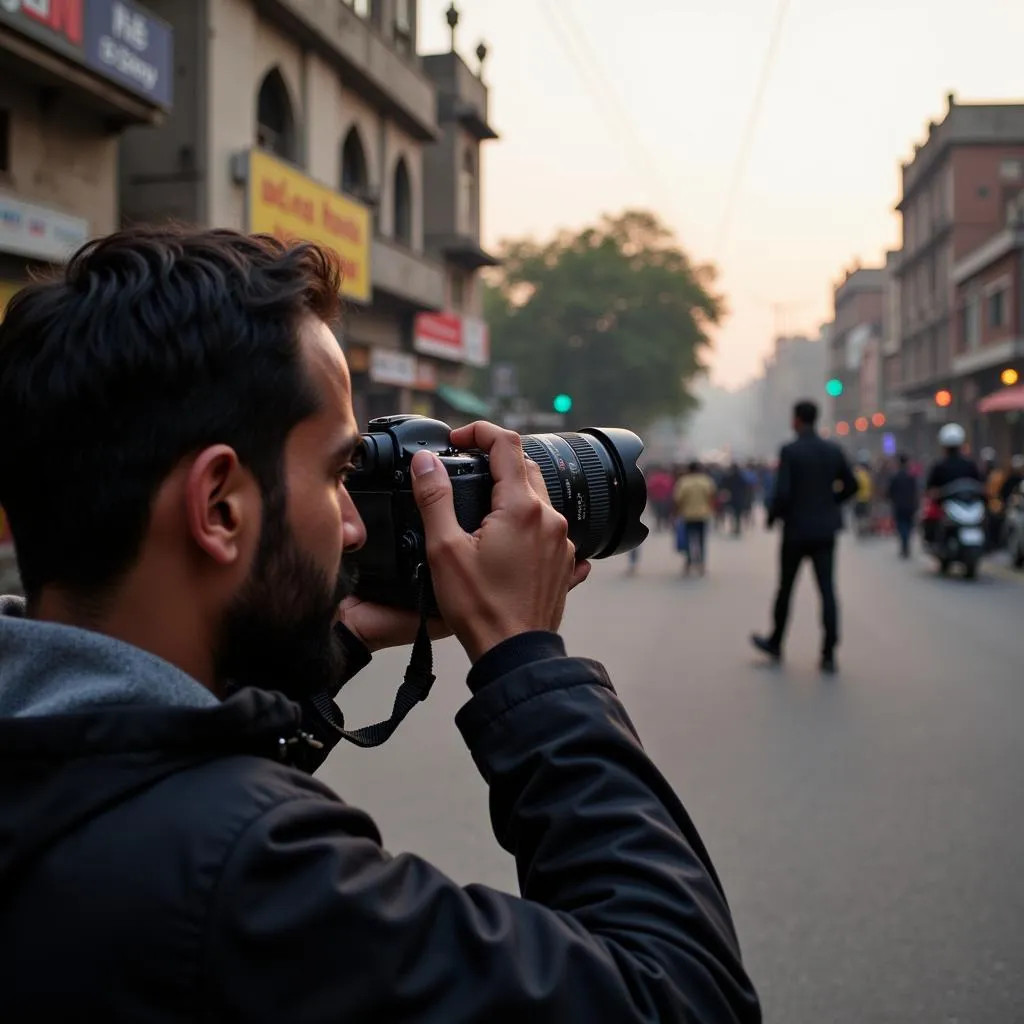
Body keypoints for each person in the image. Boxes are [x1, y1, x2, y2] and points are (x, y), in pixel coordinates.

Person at [0, 228, 760, 1022]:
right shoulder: (245, 880)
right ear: (221, 507)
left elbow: (144, 756)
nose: (356, 528)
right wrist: (524, 658)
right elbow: (684, 995)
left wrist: (337, 641)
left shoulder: (52, 774)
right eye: (337, 474)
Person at [751, 400, 857, 674]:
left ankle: (776, 642)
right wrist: (831, 502)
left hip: (796, 530)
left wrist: (774, 516)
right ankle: (829, 652)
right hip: (825, 530)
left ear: (797, 419)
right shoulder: (833, 450)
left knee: (786, 588)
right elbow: (852, 485)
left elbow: (783, 492)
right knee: (827, 590)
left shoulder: (791, 451)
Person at [673, 460, 718, 575]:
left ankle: (689, 563)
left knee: (688, 540)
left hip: (688, 516)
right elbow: (712, 496)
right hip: (703, 515)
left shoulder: (683, 482)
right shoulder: (706, 481)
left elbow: (678, 500)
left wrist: (676, 513)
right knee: (702, 541)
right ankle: (701, 564)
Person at [887, 453, 919, 559]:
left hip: (899, 505)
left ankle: (904, 545)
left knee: (902, 526)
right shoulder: (911, 476)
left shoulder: (895, 476)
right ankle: (906, 544)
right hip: (910, 505)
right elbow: (916, 491)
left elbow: (890, 491)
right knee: (908, 526)